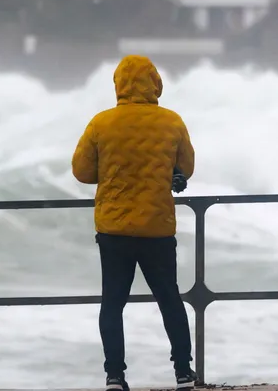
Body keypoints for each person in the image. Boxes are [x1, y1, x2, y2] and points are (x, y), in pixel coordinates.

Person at [72, 54, 197, 391]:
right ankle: (183, 372)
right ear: (155, 82)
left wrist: (113, 169)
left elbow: (82, 172)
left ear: (118, 84)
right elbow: (185, 167)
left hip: (114, 230)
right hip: (157, 227)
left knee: (113, 303)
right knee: (169, 299)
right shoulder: (172, 122)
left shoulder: (101, 123)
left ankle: (115, 376)